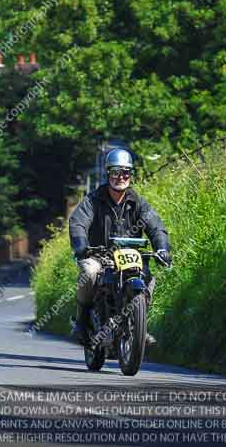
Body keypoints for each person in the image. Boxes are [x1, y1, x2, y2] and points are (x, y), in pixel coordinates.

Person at [69, 148, 172, 345]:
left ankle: (139, 327)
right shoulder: (93, 201)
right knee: (89, 272)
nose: (121, 177)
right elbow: (78, 222)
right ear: (108, 173)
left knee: (148, 278)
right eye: (116, 172)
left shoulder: (139, 203)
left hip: (131, 256)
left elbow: (156, 226)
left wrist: (162, 248)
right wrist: (81, 245)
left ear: (131, 175)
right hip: (100, 256)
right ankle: (82, 324)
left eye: (125, 172)